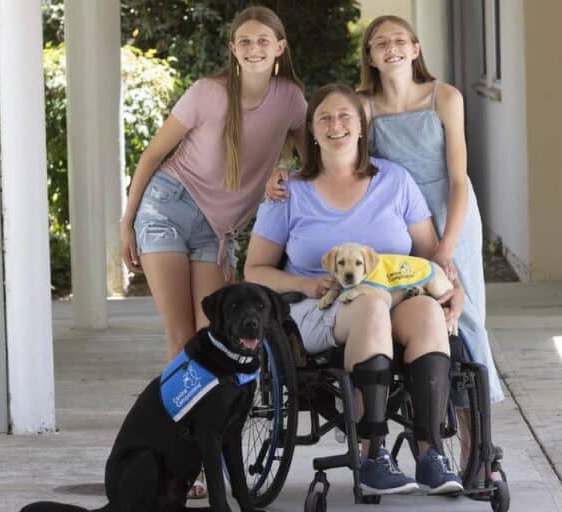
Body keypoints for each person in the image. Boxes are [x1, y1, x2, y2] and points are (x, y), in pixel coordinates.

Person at [119, 6, 306, 499]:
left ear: (280, 48)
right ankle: (185, 457)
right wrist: (126, 221)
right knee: (183, 337)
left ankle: (207, 447)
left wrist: (281, 175)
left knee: (213, 336)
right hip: (165, 207)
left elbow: (309, 157)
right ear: (233, 49)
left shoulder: (291, 100)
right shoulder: (208, 92)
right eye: (244, 41)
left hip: (216, 229)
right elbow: (152, 154)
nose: (254, 49)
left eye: (264, 41)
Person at [246, 84, 465, 496]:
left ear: (363, 127)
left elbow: (430, 256)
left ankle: (430, 453)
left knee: (426, 313)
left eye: (345, 116)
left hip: (390, 298)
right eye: (324, 117)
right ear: (311, 130)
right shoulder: (288, 191)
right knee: (368, 306)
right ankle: (373, 453)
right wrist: (305, 282)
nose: (336, 125)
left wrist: (456, 291)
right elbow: (254, 270)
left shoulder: (395, 180)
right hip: (316, 307)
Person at [357, 15, 504, 406]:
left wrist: (445, 248)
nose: (392, 48)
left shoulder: (445, 97)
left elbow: (459, 179)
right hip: (400, 217)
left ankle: (478, 442)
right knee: (415, 306)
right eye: (381, 43)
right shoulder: (364, 107)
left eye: (400, 40)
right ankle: (422, 409)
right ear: (370, 57)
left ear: (416, 49)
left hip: (448, 206)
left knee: (463, 311)